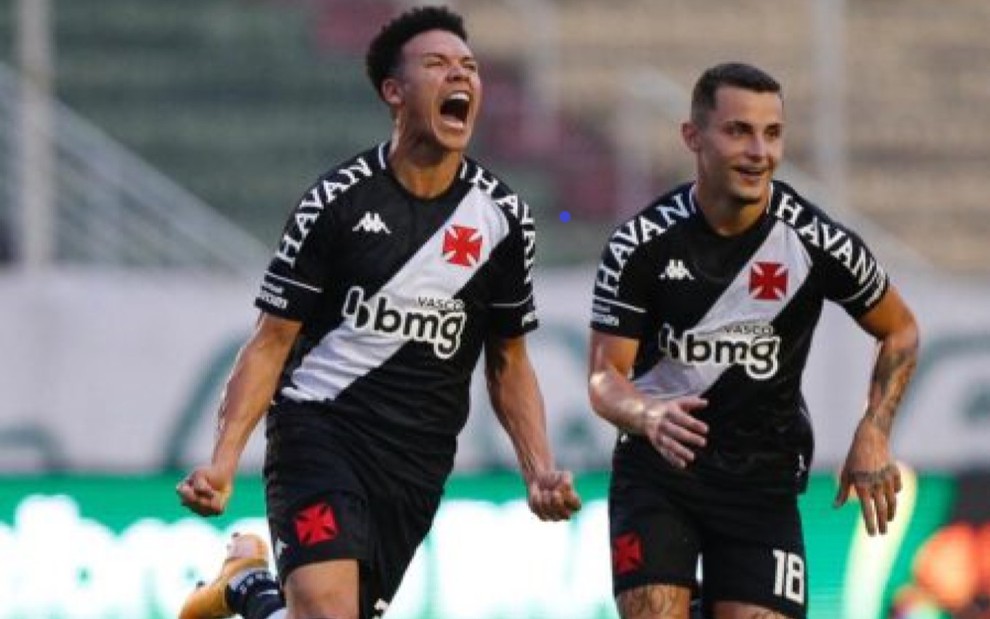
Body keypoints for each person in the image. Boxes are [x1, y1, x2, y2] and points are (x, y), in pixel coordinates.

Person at [175, 6, 581, 619]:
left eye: (469, 67)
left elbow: (509, 360)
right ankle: (253, 586)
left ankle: (247, 586)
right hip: (321, 429)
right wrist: (224, 461)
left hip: (416, 460)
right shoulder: (335, 203)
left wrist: (539, 469)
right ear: (394, 91)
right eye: (437, 65)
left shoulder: (504, 219)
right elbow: (270, 340)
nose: (459, 78)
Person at [587, 62, 919, 619]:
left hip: (762, 481)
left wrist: (874, 430)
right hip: (660, 473)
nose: (758, 151)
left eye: (772, 133)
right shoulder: (641, 244)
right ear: (693, 137)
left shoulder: (813, 240)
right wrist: (648, 415)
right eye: (738, 130)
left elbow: (900, 328)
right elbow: (604, 380)